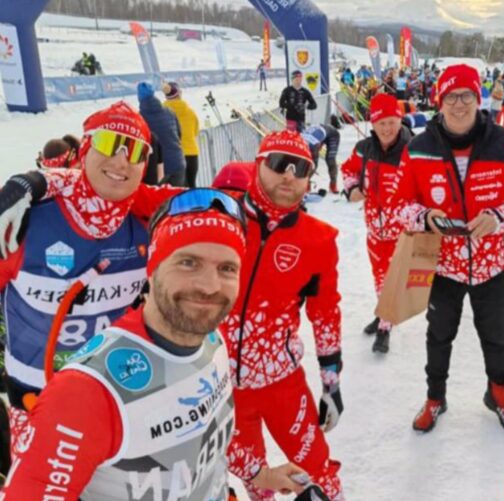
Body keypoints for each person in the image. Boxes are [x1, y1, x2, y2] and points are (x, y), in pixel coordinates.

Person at [1, 189, 312, 499]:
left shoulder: (212, 341)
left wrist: (261, 474)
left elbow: (208, 432)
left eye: (227, 268)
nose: (209, 287)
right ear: (152, 267)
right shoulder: (86, 392)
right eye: (188, 262)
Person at [0, 102, 160, 462]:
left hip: (113, 392)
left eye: (136, 150)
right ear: (85, 148)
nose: (121, 160)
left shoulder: (147, 223)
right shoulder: (26, 220)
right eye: (108, 143)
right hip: (35, 395)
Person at [391, 64, 504, 433]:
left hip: (492, 267)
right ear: (439, 101)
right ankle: (435, 397)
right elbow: (397, 206)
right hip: (441, 266)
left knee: (496, 335)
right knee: (439, 335)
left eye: (466, 96)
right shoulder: (418, 148)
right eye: (450, 96)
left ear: (478, 99)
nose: (459, 104)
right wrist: (424, 216)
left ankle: (499, 394)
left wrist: (498, 217)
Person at [223, 130, 344, 500]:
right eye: (279, 164)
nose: (289, 176)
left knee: (318, 470)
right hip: (222, 387)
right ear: (258, 164)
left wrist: (331, 381)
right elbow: (142, 197)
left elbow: (325, 313)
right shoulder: (221, 217)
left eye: (301, 168)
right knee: (256, 479)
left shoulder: (318, 238)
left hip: (282, 382)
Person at [341, 93, 411, 353]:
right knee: (379, 276)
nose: (387, 128)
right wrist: (352, 188)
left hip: (403, 233)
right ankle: (384, 313)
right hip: (374, 229)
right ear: (373, 123)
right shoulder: (364, 149)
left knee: (391, 279)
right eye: (381, 123)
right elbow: (348, 170)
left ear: (400, 120)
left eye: (392, 121)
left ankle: (385, 325)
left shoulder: (413, 149)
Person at [137, 82, 186, 186]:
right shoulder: (169, 112)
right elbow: (179, 134)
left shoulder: (139, 118)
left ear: (139, 98)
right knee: (177, 195)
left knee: (159, 196)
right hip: (177, 163)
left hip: (157, 169)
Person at [162, 81, 201, 188]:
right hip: (191, 154)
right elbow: (195, 131)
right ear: (179, 93)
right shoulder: (190, 112)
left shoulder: (161, 113)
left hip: (172, 156)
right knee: (191, 185)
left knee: (176, 190)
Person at [301, 117, 342, 194]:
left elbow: (314, 165)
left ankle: (333, 184)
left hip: (332, 135)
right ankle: (306, 183)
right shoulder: (300, 140)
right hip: (317, 135)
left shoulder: (313, 146)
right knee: (305, 163)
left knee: (330, 159)